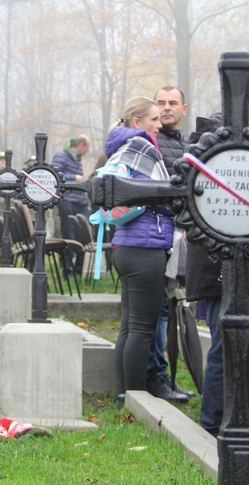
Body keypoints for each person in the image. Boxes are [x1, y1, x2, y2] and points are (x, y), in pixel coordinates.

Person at [186, 93, 249, 460]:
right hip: (219, 270)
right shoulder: (215, 149)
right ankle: (212, 427)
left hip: (244, 271)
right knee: (227, 348)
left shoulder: (244, 148)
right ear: (239, 111)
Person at [104, 97, 173, 405]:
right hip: (147, 246)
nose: (159, 125)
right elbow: (157, 194)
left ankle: (123, 392)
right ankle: (136, 397)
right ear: (136, 122)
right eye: (153, 119)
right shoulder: (143, 147)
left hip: (123, 243)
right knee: (143, 329)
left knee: (129, 326)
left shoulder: (119, 148)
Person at [145, 86, 192, 403]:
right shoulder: (151, 144)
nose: (166, 108)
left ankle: (167, 377)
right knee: (158, 311)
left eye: (172, 103)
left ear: (183, 108)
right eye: (160, 103)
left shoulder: (185, 144)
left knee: (169, 310)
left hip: (177, 237)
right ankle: (155, 376)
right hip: (156, 236)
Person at [52, 135, 91, 277]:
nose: (88, 151)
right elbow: (55, 174)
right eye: (87, 147)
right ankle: (67, 270)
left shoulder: (77, 159)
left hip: (81, 202)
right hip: (67, 201)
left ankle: (78, 270)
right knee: (68, 235)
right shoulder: (61, 156)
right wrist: (74, 177)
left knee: (85, 234)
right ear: (81, 145)